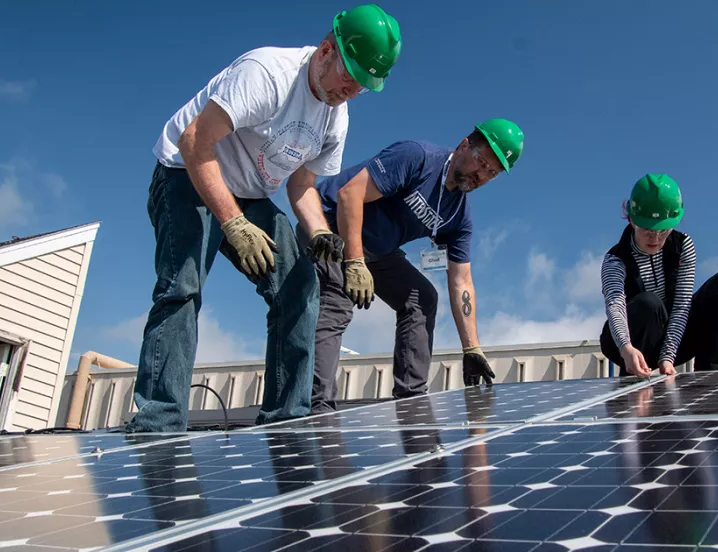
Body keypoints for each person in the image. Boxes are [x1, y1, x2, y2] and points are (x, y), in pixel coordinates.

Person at [124, 4, 403, 433]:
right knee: (183, 285)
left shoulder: (336, 115)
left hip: (249, 192)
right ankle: (158, 424)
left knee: (300, 287)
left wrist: (323, 233)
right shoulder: (268, 74)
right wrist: (234, 225)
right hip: (186, 173)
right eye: (349, 78)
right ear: (327, 50)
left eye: (362, 87)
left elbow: (302, 186)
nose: (350, 92)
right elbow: (194, 141)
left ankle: (286, 420)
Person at [304, 118, 525, 414]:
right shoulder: (418, 157)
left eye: (491, 173)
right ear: (464, 145)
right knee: (337, 302)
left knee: (422, 298)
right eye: (481, 162)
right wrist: (354, 263)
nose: (481, 175)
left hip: (377, 250)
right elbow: (349, 195)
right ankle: (318, 410)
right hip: (328, 226)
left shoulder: (459, 216)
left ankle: (411, 402)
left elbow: (462, 281)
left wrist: (471, 348)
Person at [598, 173, 718, 377]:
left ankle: (706, 378)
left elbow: (682, 305)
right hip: (630, 345)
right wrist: (625, 347)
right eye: (647, 230)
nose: (655, 238)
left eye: (663, 230)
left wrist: (667, 357)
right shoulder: (615, 259)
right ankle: (634, 376)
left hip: (675, 337)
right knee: (649, 303)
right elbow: (615, 305)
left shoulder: (683, 246)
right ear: (631, 220)